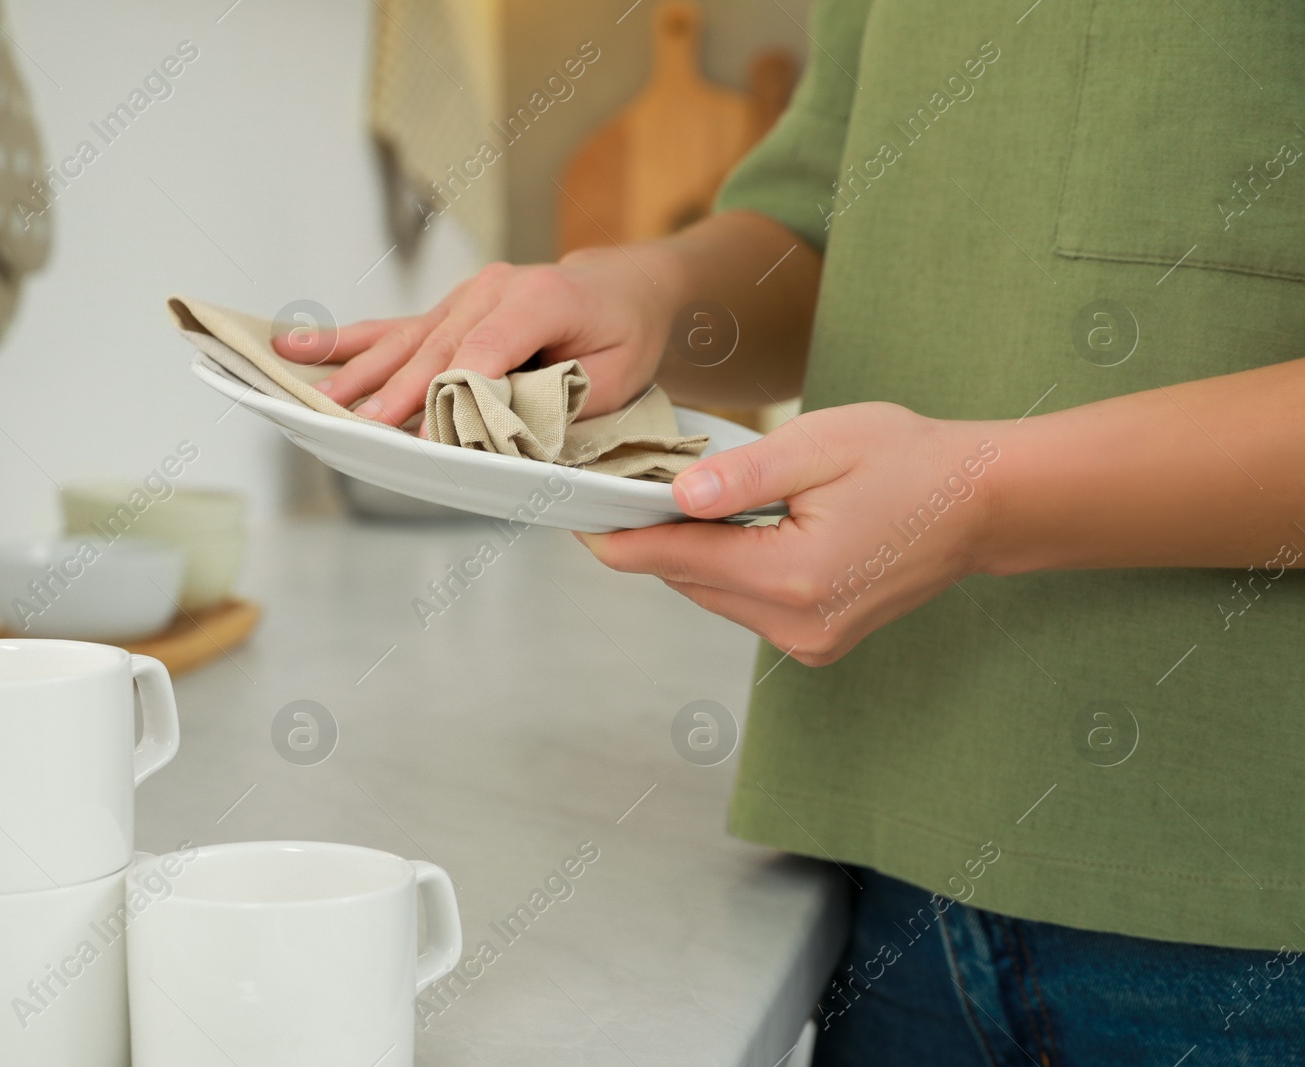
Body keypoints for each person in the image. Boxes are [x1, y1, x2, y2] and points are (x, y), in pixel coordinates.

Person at [276, 1, 1305, 1060]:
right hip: (878, 862)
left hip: (1253, 932)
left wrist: (983, 498)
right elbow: (827, 229)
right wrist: (647, 291)